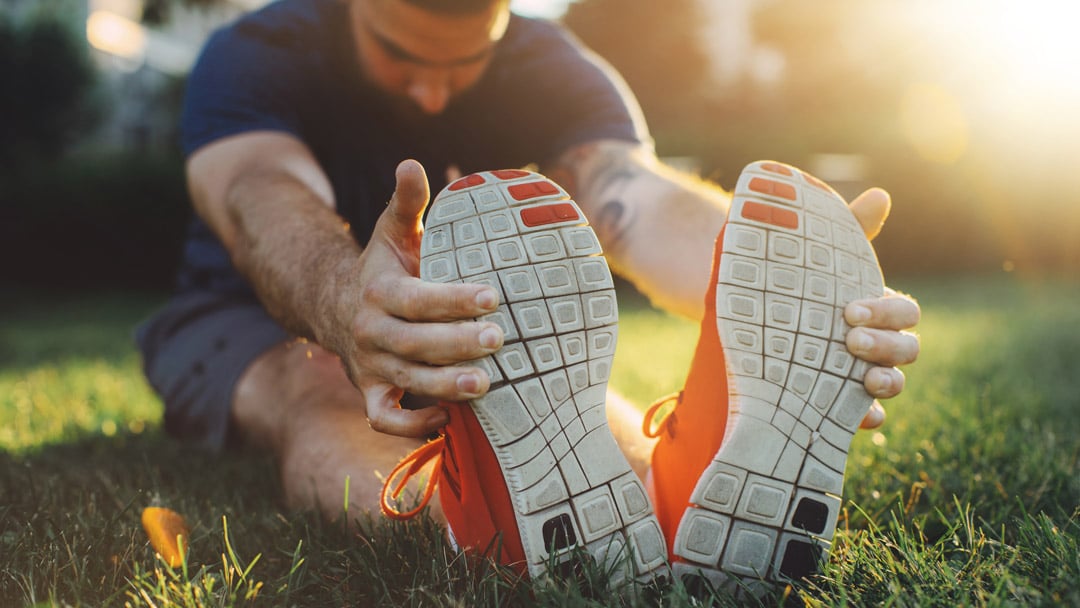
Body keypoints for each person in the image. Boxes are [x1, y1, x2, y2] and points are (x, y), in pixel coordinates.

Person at [136, 0, 920, 589]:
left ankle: (669, 507)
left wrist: (774, 271)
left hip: (482, 329)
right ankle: (481, 527)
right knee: (323, 384)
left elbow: (633, 198)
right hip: (246, 318)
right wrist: (348, 304)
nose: (434, 94)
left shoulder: (552, 65)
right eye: (401, 53)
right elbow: (255, 190)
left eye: (463, 63)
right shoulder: (259, 50)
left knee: (568, 415)